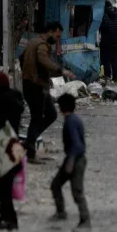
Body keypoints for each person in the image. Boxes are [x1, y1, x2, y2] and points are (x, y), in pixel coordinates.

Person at [22, 22, 74, 164]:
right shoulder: (41, 45)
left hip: (35, 85)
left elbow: (23, 60)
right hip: (35, 86)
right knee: (37, 117)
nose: (57, 39)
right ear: (51, 31)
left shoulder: (32, 42)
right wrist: (61, 70)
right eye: (57, 35)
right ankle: (30, 151)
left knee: (51, 114)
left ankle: (29, 142)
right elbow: (44, 60)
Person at [0, 72, 25, 230]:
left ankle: (10, 219)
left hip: (4, 147)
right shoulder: (15, 99)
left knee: (2, 186)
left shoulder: (0, 101)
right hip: (14, 146)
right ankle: (4, 217)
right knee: (3, 185)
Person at [50, 94, 90, 230]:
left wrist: (70, 162)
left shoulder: (70, 122)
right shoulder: (74, 119)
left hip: (76, 160)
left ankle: (85, 221)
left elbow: (77, 145)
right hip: (74, 158)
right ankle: (61, 212)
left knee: (77, 191)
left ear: (61, 107)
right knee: (56, 184)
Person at [99, 1, 117, 82]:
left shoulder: (103, 15)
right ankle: (115, 78)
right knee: (114, 59)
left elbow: (100, 27)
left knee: (105, 59)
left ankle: (107, 76)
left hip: (106, 42)